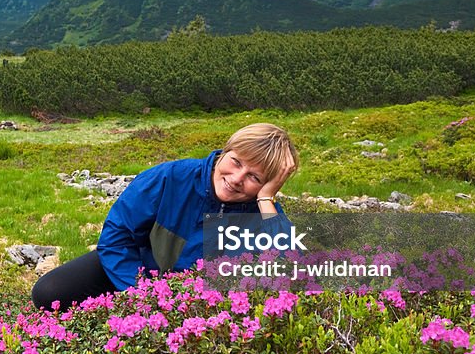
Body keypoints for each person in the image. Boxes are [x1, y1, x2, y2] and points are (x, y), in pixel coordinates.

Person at [32, 123, 298, 310]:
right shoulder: (171, 177)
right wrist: (140, 294)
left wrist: (266, 200)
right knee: (49, 292)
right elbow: (117, 237)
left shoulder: (262, 213)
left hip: (193, 299)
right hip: (135, 272)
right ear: (225, 151)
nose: (236, 179)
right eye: (236, 162)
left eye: (255, 177)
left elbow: (289, 272)